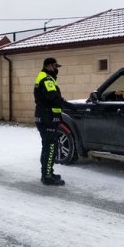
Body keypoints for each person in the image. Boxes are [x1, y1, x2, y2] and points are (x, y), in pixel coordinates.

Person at [34, 57, 75, 186]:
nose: (56, 69)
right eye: (55, 66)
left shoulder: (45, 77)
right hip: (47, 118)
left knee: (48, 146)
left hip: (47, 117)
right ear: (48, 66)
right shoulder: (46, 78)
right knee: (51, 146)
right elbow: (53, 98)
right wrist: (69, 106)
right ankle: (47, 176)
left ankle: (47, 172)